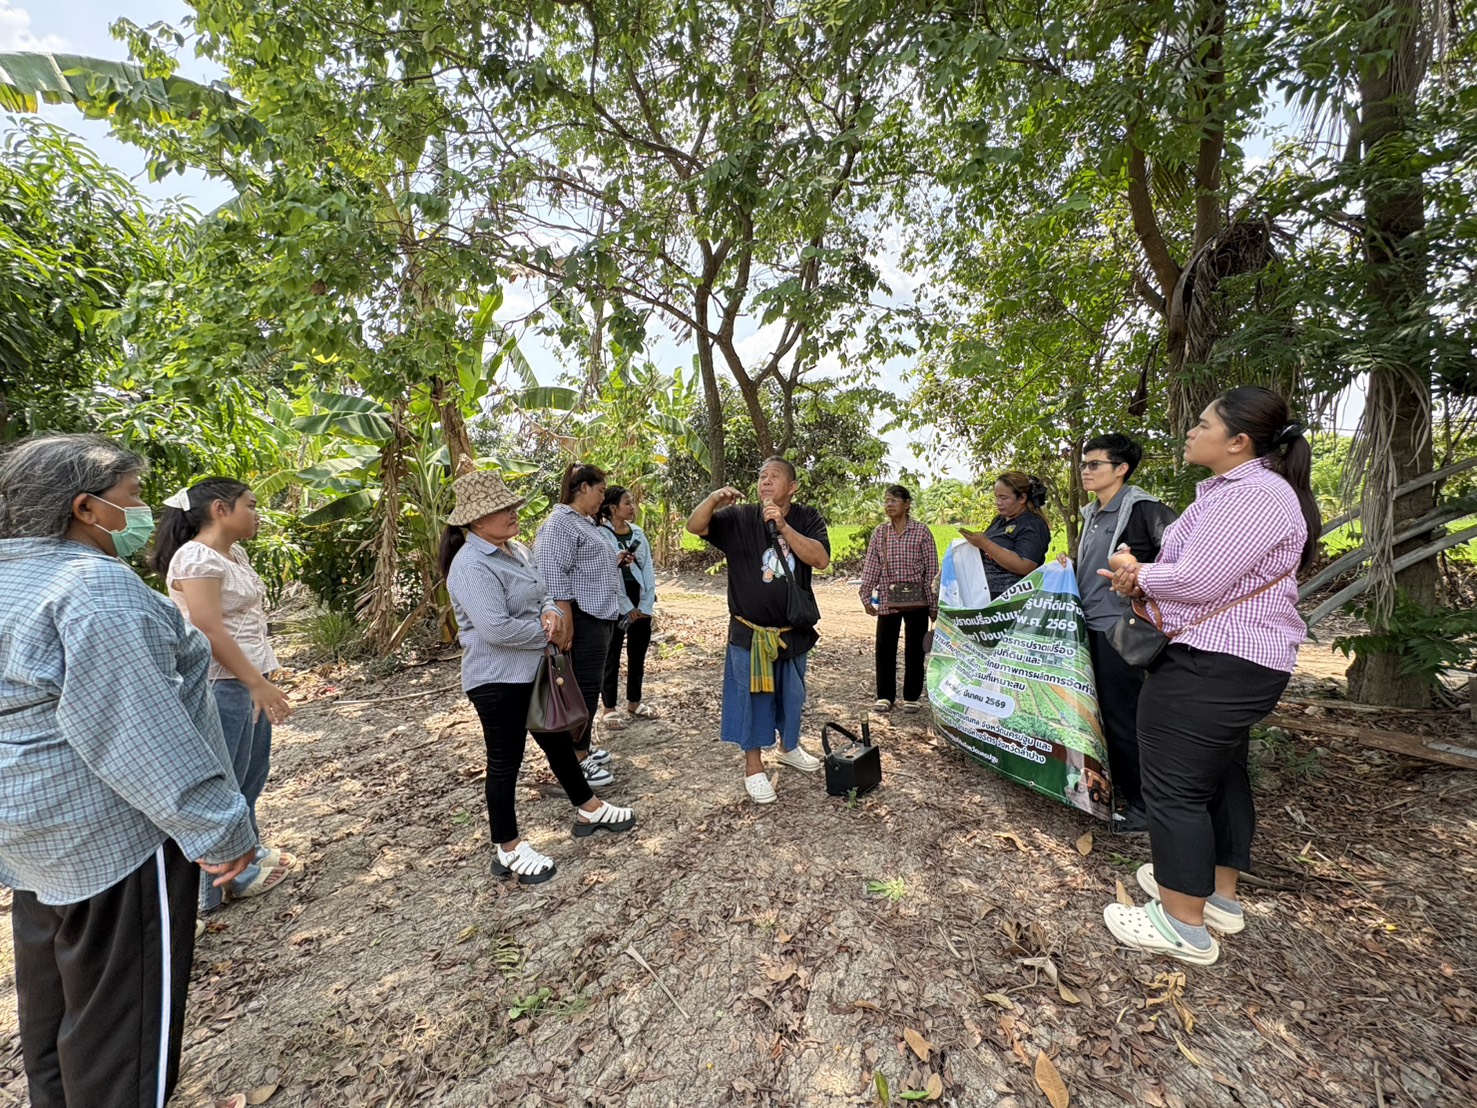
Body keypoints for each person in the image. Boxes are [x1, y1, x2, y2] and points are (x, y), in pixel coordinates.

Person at [0, 434, 258, 1108]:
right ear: (86, 508)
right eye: (133, 500)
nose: (143, 513)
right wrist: (220, 828)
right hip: (113, 838)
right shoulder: (92, 588)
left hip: (30, 837)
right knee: (124, 1030)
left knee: (57, 1010)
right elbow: (133, 730)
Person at [1098, 387, 1319, 966]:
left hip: (1213, 662)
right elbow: (1195, 573)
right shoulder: (1242, 492)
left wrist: (1136, 571)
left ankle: (1181, 922)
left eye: (1202, 424)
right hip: (1231, 660)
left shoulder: (1253, 497)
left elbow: (1195, 582)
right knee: (1218, 777)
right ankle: (1218, 896)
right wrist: (1142, 574)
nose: (1191, 432)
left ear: (1238, 441)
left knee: (1173, 788)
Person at [441, 470, 635, 885]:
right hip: (496, 680)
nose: (513, 513)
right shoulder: (471, 565)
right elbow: (495, 629)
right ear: (476, 521)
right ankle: (507, 847)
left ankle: (589, 806)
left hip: (533, 669)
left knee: (558, 742)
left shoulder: (516, 550)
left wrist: (551, 611)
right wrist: (551, 632)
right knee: (504, 761)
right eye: (503, 509)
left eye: (512, 506)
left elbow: (544, 590)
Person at [153, 477, 298, 915]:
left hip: (247, 678)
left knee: (250, 776)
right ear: (220, 508)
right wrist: (255, 682)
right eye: (250, 505)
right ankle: (207, 892)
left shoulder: (233, 554)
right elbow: (209, 629)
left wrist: (260, 677)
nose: (257, 514)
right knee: (224, 783)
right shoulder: (196, 557)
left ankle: (245, 860)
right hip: (221, 684)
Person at [685, 457, 831, 804]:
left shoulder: (807, 517)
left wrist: (783, 526)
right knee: (751, 700)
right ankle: (753, 766)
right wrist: (713, 500)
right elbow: (695, 526)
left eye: (774, 476)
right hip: (749, 632)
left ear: (792, 487)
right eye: (761, 476)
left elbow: (820, 559)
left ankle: (789, 747)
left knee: (792, 695)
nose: (765, 481)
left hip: (791, 631)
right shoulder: (738, 517)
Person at [1071, 435, 1178, 834]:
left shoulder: (1144, 510)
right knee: (1105, 715)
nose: (1086, 470)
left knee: (1124, 718)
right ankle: (1115, 790)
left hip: (1121, 631)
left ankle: (1145, 807)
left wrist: (1139, 574)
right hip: (1093, 627)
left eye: (1095, 464)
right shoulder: (1094, 513)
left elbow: (1180, 559)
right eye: (1084, 463)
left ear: (1121, 469)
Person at [533, 462, 624, 786]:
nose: (603, 498)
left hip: (598, 615)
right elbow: (552, 569)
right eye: (600, 491)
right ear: (583, 488)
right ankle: (576, 759)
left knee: (588, 685)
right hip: (582, 618)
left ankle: (581, 746)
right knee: (581, 688)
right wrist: (565, 616)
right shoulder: (561, 523)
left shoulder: (582, 523)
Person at [858, 485, 939, 713]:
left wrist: (933, 604)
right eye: (886, 501)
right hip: (887, 597)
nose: (889, 505)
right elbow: (872, 566)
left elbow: (932, 569)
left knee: (915, 649)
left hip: (917, 600)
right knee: (884, 647)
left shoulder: (921, 531)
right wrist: (866, 596)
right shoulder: (880, 533)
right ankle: (885, 696)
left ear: (907, 504)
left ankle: (911, 697)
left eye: (894, 500)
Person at [597, 485, 658, 729]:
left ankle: (634, 701)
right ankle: (609, 707)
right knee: (611, 653)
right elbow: (607, 574)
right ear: (613, 508)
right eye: (627, 503)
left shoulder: (637, 533)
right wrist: (625, 607)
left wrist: (644, 604)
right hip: (614, 599)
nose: (632, 508)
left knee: (638, 652)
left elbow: (648, 569)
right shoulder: (601, 534)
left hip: (640, 597)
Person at [958, 471, 1051, 598]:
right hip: (984, 597)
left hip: (1012, 602)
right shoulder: (1000, 520)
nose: (998, 502)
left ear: (1022, 498)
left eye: (1004, 498)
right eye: (996, 497)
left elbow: (1025, 566)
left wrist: (986, 544)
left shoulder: (1033, 524)